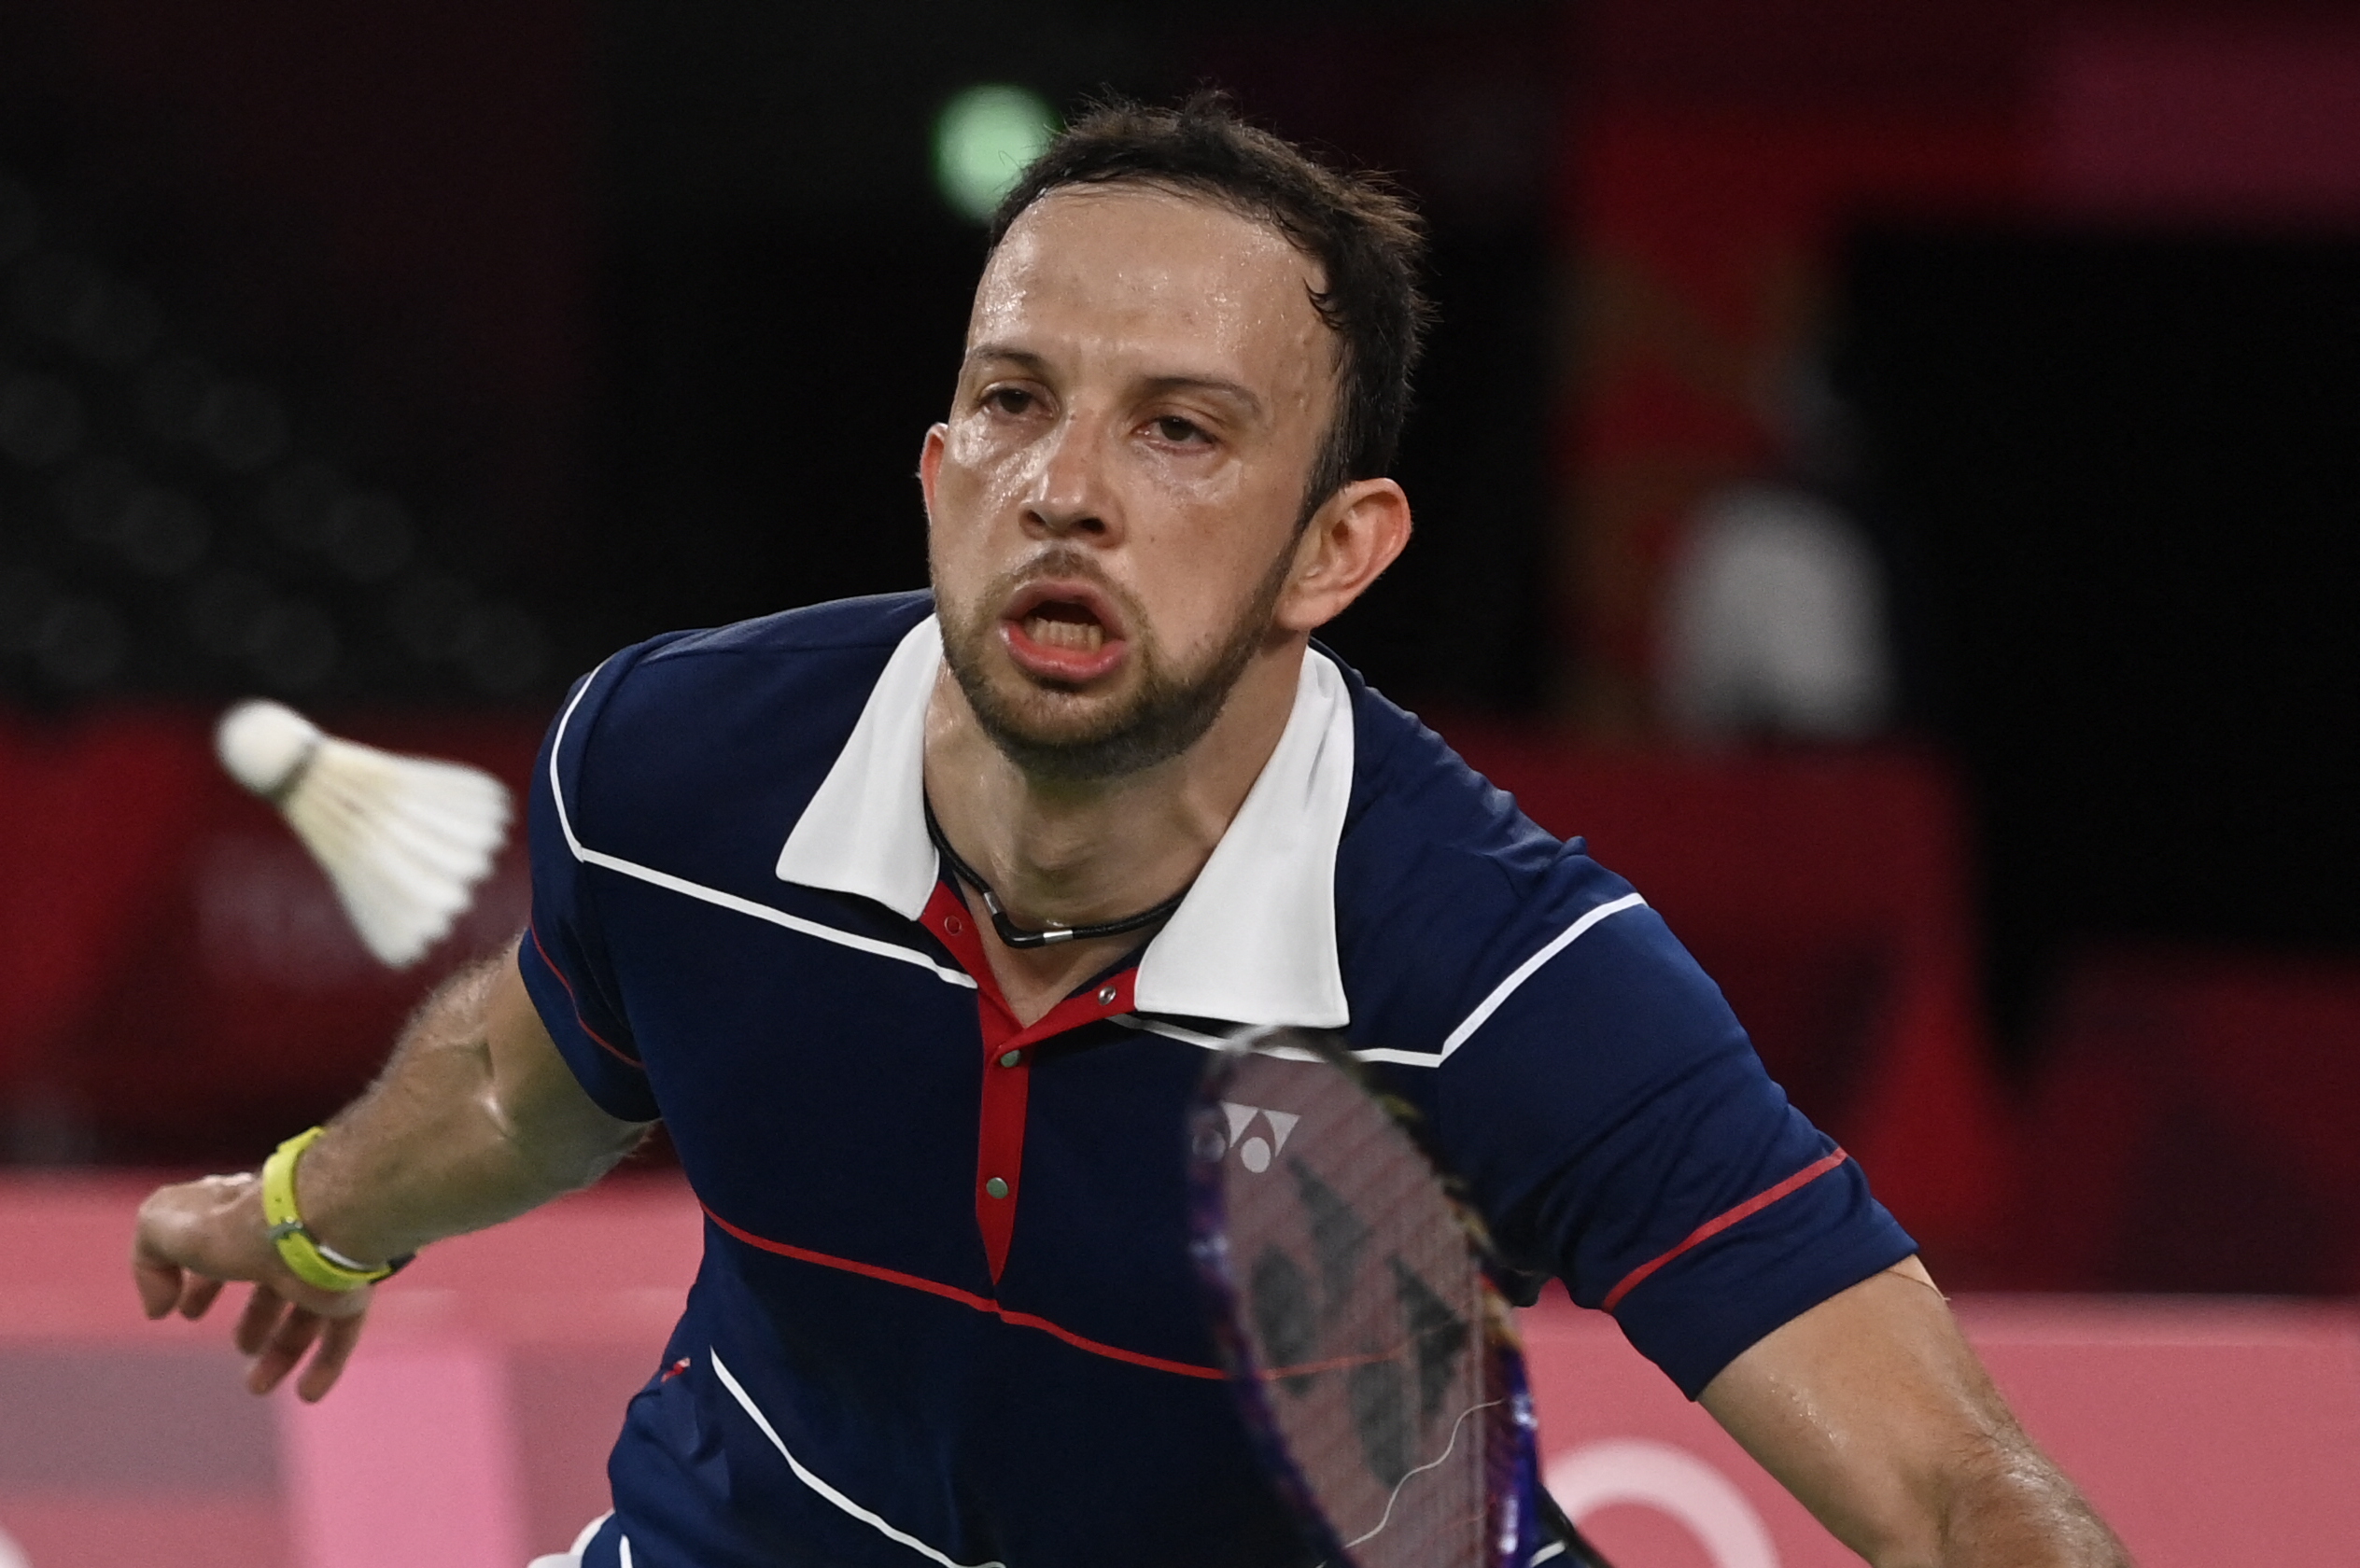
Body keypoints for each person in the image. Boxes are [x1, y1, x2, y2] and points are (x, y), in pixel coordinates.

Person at [132, 96, 2130, 1568]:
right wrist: (309, 1213)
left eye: (1180, 430)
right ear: (938, 470)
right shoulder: (680, 770)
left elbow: (1957, 1497)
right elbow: (534, 1071)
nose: (1065, 488)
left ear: (1332, 553)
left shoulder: (1497, 978)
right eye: (1015, 402)